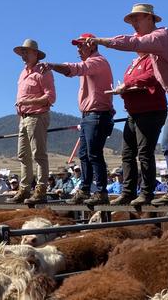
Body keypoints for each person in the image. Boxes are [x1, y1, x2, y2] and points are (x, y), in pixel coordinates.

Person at [86, 4, 168, 215]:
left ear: (151, 19)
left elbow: (133, 43)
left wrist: (101, 41)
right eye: (132, 20)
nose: (134, 24)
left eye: (137, 19)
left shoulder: (162, 36)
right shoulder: (153, 51)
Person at [43, 33, 114, 206]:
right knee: (85, 154)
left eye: (81, 45)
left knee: (93, 153)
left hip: (96, 114)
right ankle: (86, 189)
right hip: (90, 116)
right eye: (77, 46)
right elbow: (75, 69)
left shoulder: (97, 62)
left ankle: (100, 191)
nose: (78, 49)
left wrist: (52, 65)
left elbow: (73, 69)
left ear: (92, 45)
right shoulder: (91, 64)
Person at [105, 39, 168, 205]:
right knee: (127, 154)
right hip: (134, 113)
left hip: (150, 111)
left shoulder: (153, 59)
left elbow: (150, 77)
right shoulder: (133, 64)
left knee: (145, 153)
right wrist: (125, 90)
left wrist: (126, 85)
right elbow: (134, 83)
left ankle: (147, 192)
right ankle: (128, 192)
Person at [3, 39, 56, 205]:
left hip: (37, 115)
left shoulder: (43, 71)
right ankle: (25, 188)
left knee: (38, 154)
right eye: (22, 53)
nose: (23, 56)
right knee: (23, 155)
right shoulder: (23, 72)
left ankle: (41, 189)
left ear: (35, 54)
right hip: (24, 117)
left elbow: (50, 97)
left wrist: (27, 102)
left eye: (26, 52)